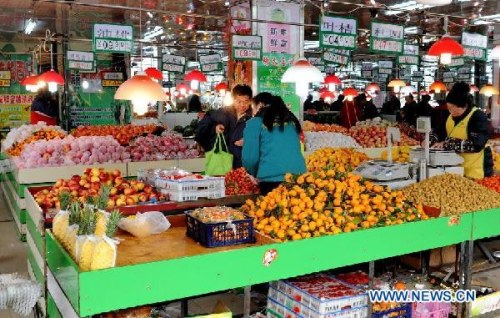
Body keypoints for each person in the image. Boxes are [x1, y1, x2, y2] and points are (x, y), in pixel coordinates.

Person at [243, 95, 306, 195]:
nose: (253, 112)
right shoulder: (291, 120)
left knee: (273, 209)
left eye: (253, 108)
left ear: (260, 105)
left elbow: (250, 158)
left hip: (271, 179)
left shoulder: (255, 123)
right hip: (299, 177)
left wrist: (254, 173)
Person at [432, 82, 493, 179]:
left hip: (475, 171)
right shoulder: (450, 117)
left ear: (464, 106)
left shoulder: (477, 116)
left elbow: (476, 145)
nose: (450, 111)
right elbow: (439, 131)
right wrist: (429, 139)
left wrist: (447, 144)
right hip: (455, 170)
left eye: (452, 108)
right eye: (449, 108)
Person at [195, 84, 252, 169]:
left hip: (243, 164)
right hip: (222, 161)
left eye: (246, 101)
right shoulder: (223, 113)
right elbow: (205, 128)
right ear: (233, 100)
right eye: (239, 101)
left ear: (250, 101)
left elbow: (261, 139)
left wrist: (248, 142)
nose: (242, 105)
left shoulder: (253, 117)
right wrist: (215, 128)